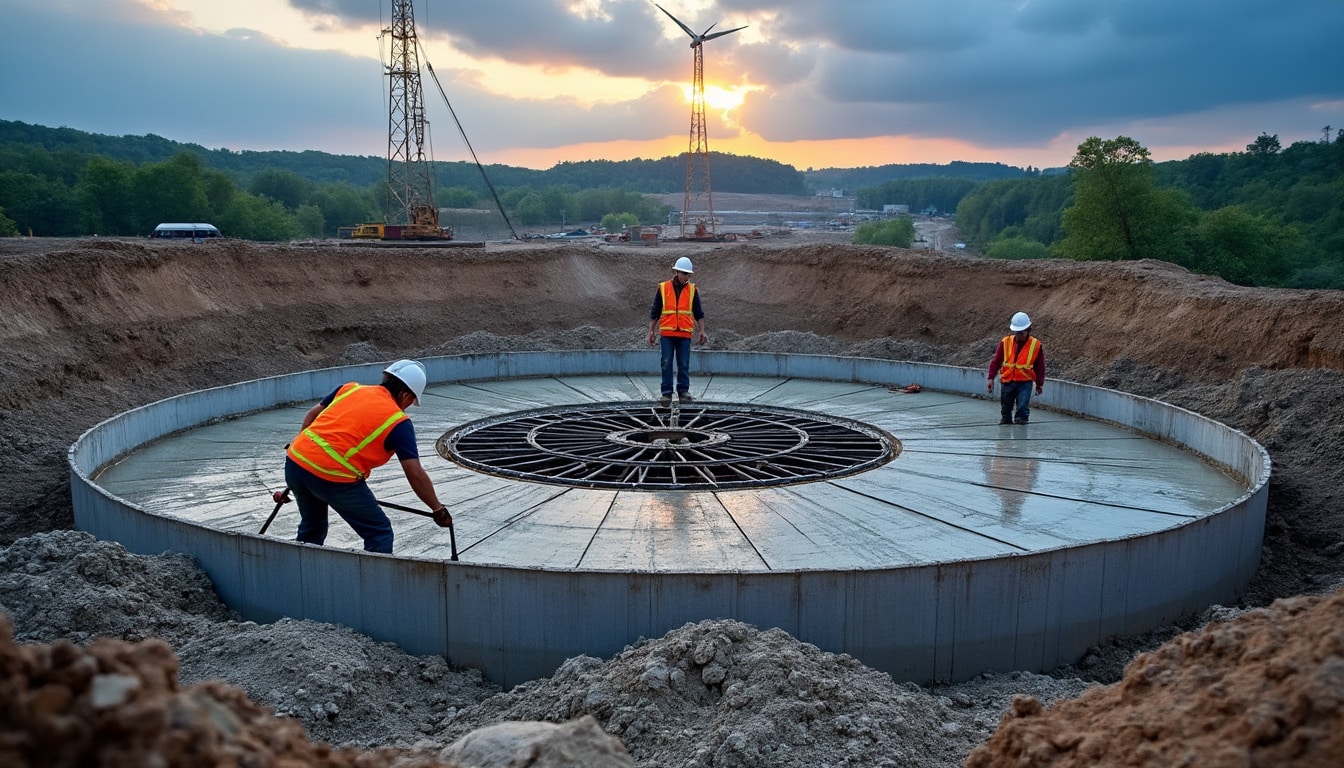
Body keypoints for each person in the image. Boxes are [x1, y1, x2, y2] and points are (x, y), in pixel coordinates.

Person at [284, 359, 452, 553]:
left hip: (295, 461)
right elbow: (415, 474)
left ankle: (302, 575)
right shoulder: (398, 422)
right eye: (411, 402)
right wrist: (437, 509)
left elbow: (311, 416)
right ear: (405, 395)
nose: (407, 407)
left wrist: (303, 462)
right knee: (379, 532)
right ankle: (376, 581)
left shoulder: (349, 389)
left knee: (312, 529)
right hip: (333, 478)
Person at [647, 256, 708, 406]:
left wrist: (702, 331)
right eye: (684, 274)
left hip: (685, 334)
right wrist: (651, 331)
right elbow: (655, 311)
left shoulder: (692, 290)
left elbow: (698, 312)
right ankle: (666, 394)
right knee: (666, 363)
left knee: (684, 364)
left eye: (688, 275)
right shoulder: (663, 288)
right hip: (667, 334)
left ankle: (683, 392)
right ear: (677, 273)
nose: (686, 277)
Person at [987, 311, 1046, 425]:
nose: (1018, 335)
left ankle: (1021, 423)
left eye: (1021, 333)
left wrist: (1039, 384)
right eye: (1016, 332)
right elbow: (996, 361)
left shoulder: (1036, 345)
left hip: (1025, 382)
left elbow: (1040, 366)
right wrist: (991, 378)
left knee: (1022, 408)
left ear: (1028, 330)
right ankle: (1006, 420)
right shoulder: (1006, 342)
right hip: (1007, 381)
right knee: (1005, 407)